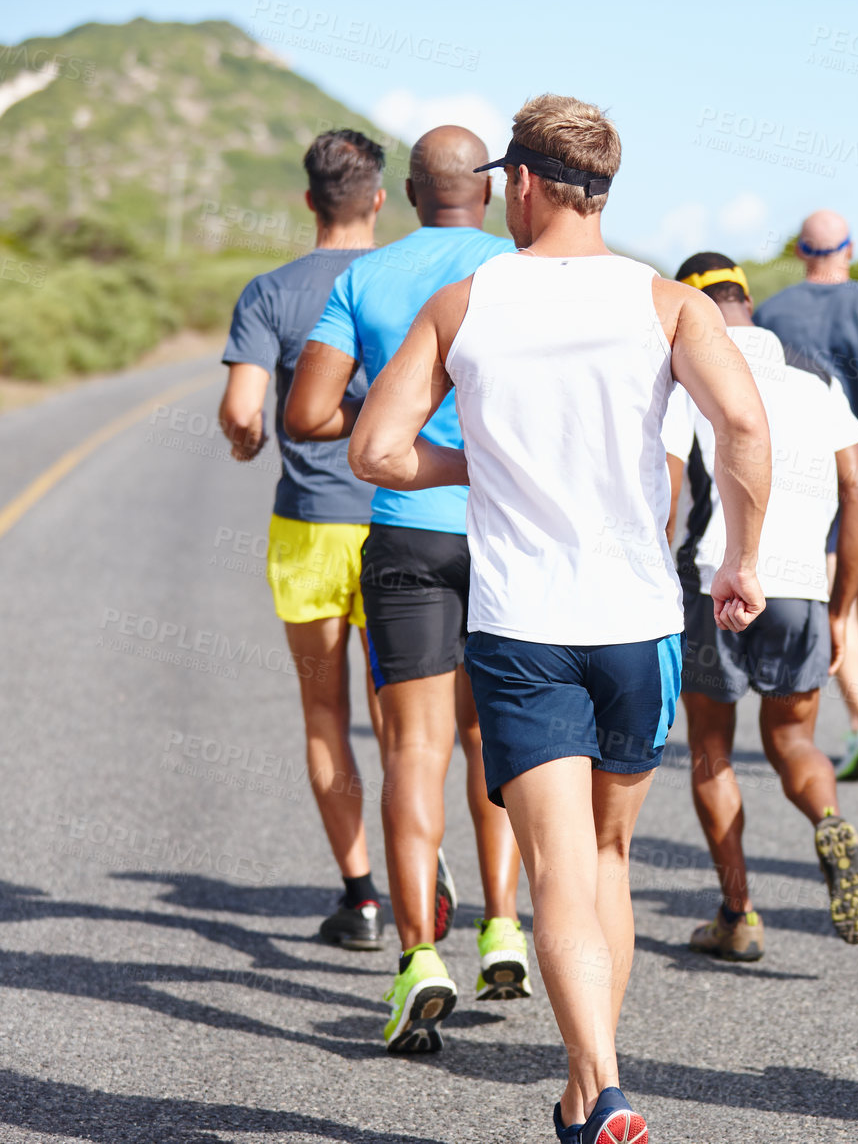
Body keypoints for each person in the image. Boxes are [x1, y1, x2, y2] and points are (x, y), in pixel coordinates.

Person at [347, 95, 771, 1144]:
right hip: (637, 624)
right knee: (609, 860)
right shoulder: (671, 302)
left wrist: (473, 467)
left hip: (523, 626)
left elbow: (374, 450)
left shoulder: (466, 300)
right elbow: (744, 422)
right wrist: (744, 559)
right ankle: (588, 1092)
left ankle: (603, 1086)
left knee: (556, 873)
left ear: (523, 183)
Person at [283, 126, 527, 1053]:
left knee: (413, 752)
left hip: (406, 535)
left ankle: (420, 956)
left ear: (411, 195)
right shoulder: (520, 268)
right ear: (492, 194)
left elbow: (307, 414)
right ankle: (504, 926)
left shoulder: (366, 277)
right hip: (509, 536)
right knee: (492, 741)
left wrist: (387, 406)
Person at [672, 251, 858, 959]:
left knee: (710, 751)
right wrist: (841, 604)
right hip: (801, 591)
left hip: (714, 582)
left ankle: (739, 914)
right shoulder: (815, 379)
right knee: (794, 743)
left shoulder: (688, 379)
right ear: (748, 306)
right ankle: (827, 817)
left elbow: (663, 494)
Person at [217, 128, 387, 953]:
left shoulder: (270, 292)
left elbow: (244, 414)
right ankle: (419, 869)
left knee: (325, 715)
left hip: (311, 526)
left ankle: (359, 897)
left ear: (308, 201)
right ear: (380, 200)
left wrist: (249, 447)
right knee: (407, 721)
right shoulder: (406, 278)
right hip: (400, 523)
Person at [754, 210, 858, 780]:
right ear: (848, 250)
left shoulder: (773, 311)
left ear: (803, 252)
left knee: (829, 592)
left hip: (798, 469)